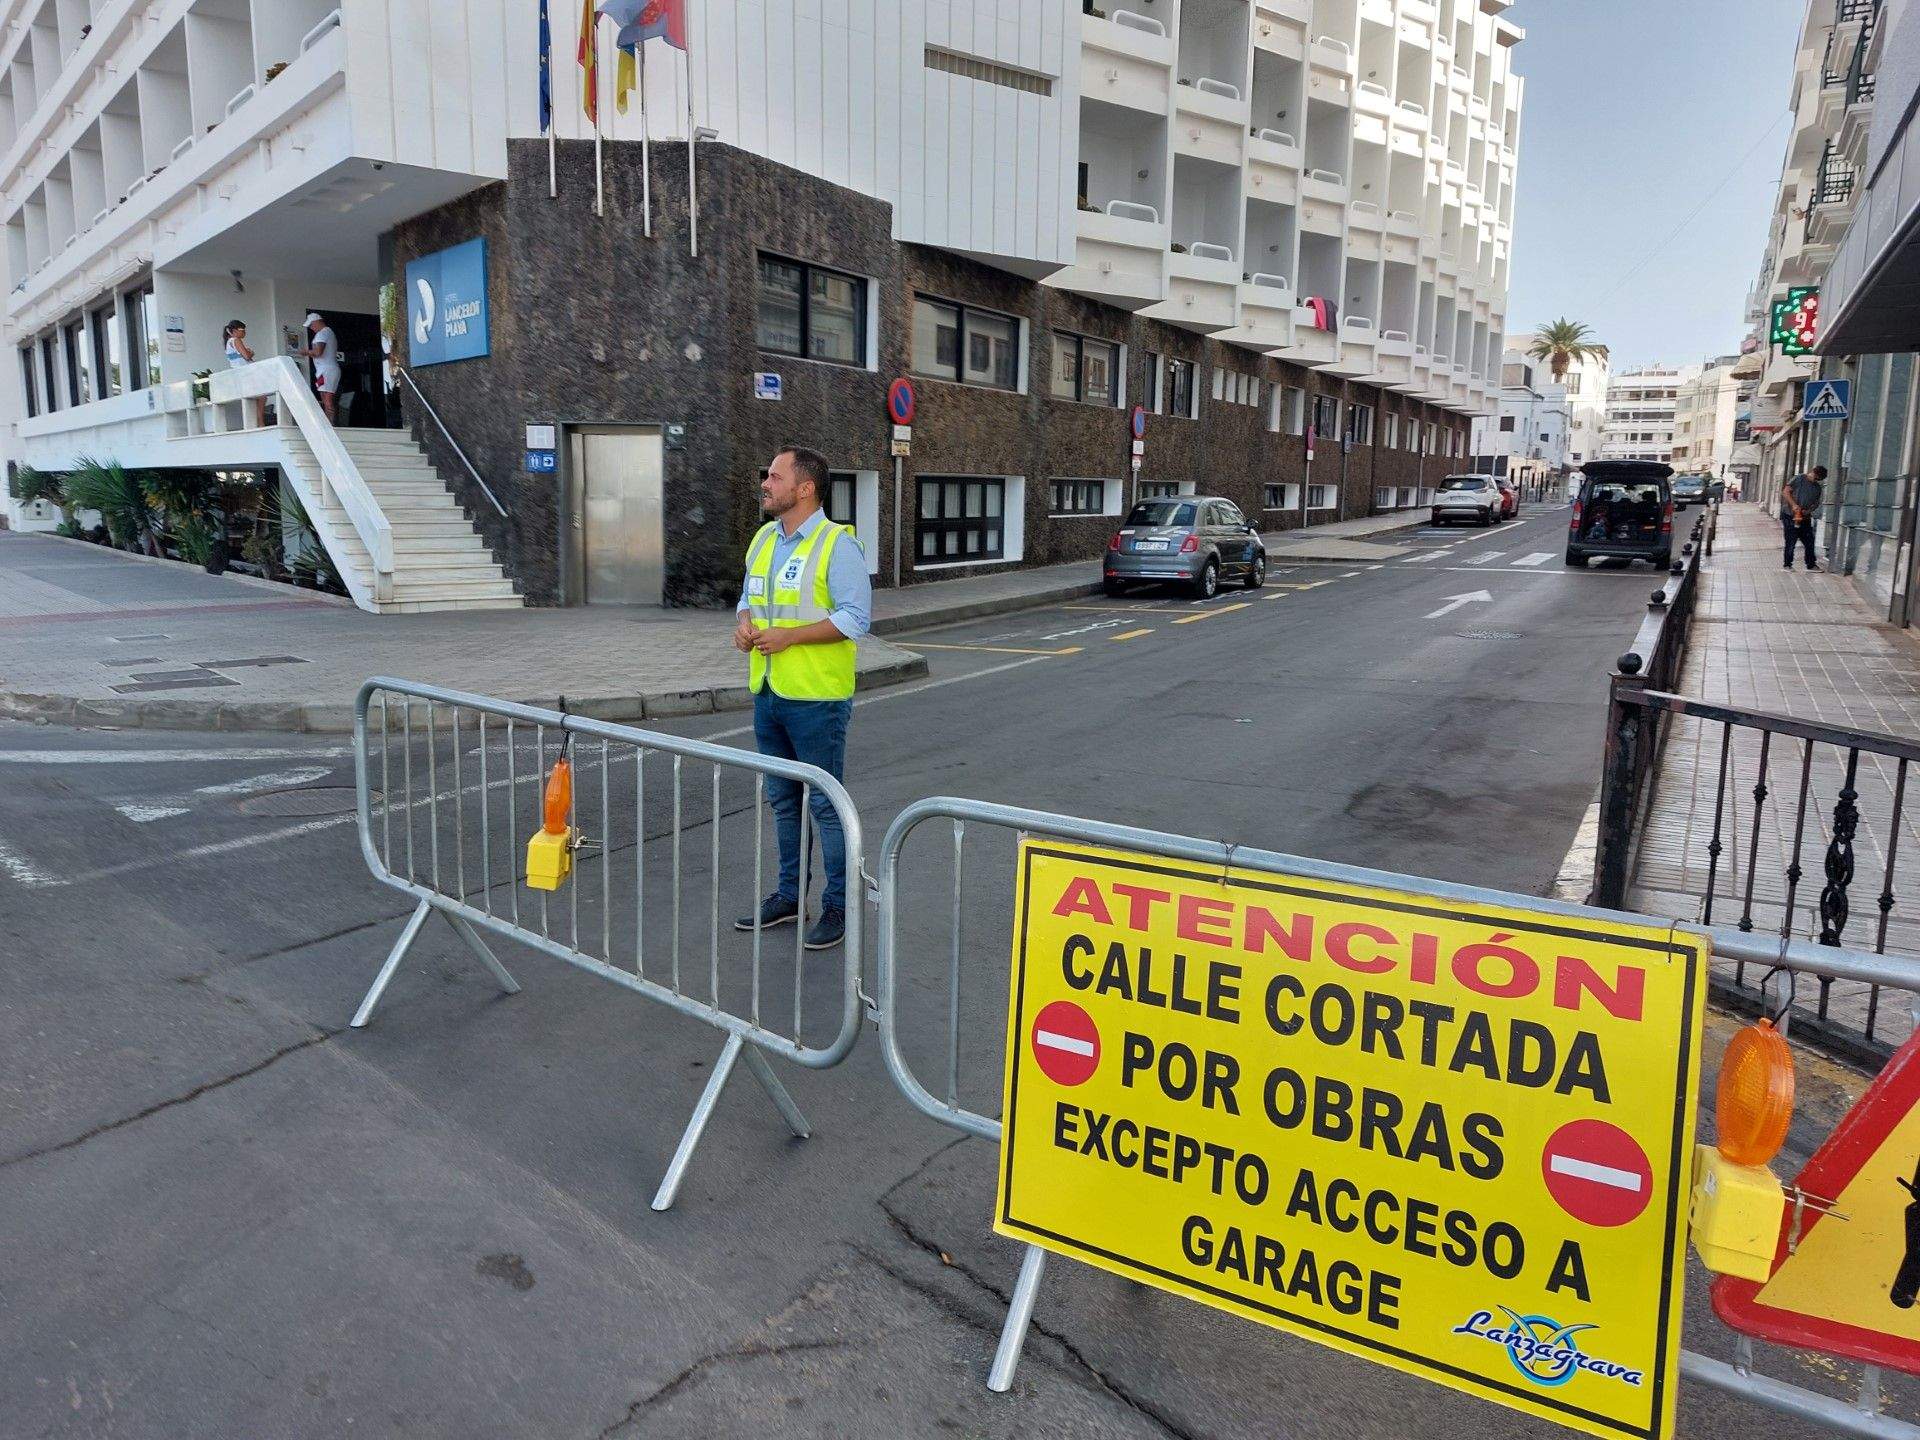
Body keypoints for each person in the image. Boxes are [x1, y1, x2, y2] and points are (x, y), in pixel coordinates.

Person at [732, 446, 872, 950]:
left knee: (827, 808)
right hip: (768, 692)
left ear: (805, 488)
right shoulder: (764, 539)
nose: (765, 483)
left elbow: (856, 617)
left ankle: (839, 906)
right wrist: (744, 626)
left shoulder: (838, 544)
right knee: (784, 803)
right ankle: (790, 897)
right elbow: (748, 599)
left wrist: (791, 637)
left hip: (817, 699)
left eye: (775, 476)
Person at [294, 311, 342, 423]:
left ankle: (330, 425)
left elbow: (318, 352)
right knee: (324, 397)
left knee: (327, 399)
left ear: (317, 321)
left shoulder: (323, 333)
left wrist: (305, 352)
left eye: (311, 325)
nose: (311, 328)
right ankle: (328, 423)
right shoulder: (326, 332)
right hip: (324, 370)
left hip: (327, 370)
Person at [1780, 464, 1825, 571]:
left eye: (1818, 479)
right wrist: (1794, 505)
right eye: (1815, 477)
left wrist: (1807, 511)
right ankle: (1787, 565)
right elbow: (1785, 492)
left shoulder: (1817, 488)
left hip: (1804, 517)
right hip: (1790, 515)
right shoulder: (1799, 478)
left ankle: (1811, 565)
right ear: (1813, 472)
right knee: (1791, 540)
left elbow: (1816, 503)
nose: (1815, 480)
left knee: (1809, 541)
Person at [222, 319, 263, 428]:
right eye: (242, 330)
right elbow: (246, 356)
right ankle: (260, 422)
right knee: (261, 396)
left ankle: (256, 423)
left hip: (239, 375)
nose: (244, 332)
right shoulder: (236, 340)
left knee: (254, 398)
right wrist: (251, 353)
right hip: (245, 374)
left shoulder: (228, 343)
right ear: (235, 330)